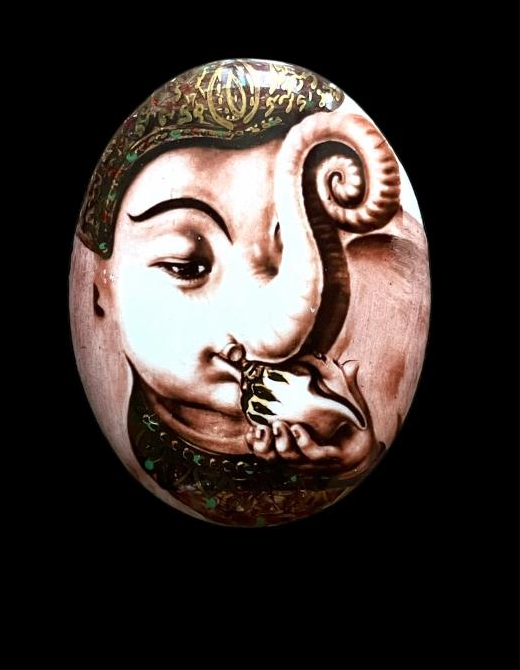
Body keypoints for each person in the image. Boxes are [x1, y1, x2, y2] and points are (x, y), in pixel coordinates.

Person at [70, 59, 430, 525]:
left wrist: (352, 456)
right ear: (98, 289)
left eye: (290, 254)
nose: (256, 311)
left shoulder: (366, 343)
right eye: (186, 265)